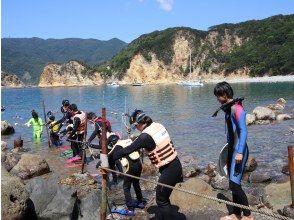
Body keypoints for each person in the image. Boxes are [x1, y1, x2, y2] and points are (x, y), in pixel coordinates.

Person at [109, 109, 183, 219]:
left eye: (135, 127)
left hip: (169, 170)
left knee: (161, 200)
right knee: (164, 197)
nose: (136, 130)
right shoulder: (158, 125)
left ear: (138, 124)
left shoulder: (144, 137)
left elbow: (127, 150)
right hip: (176, 164)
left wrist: (108, 159)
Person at [213, 82, 253, 220]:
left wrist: (240, 152)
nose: (217, 98)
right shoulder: (228, 108)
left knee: (235, 184)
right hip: (231, 148)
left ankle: (248, 215)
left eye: (218, 95)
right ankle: (236, 213)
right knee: (232, 184)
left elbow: (243, 131)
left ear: (224, 94)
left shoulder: (238, 109)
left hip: (239, 150)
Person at [107, 134, 144, 216]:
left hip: (130, 168)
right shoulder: (128, 141)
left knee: (126, 187)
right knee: (136, 183)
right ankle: (140, 202)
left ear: (111, 143)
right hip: (139, 165)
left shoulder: (116, 147)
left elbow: (110, 159)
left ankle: (130, 209)